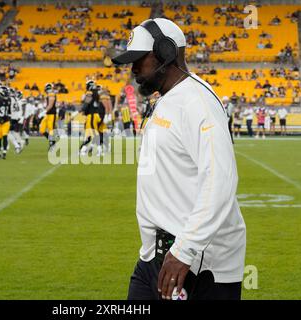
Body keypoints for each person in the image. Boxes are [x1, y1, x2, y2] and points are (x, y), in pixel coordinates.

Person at [112, 18, 246, 300]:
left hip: (196, 263)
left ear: (166, 52)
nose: (133, 69)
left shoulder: (197, 103)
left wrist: (185, 250)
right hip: (156, 256)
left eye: (139, 60)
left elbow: (220, 180)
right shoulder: (167, 98)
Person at [39, 83, 58, 152]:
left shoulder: (51, 94)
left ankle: (52, 145)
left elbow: (50, 104)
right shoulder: (48, 94)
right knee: (42, 130)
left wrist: (44, 111)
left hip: (52, 114)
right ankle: (53, 142)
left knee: (51, 130)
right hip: (48, 114)